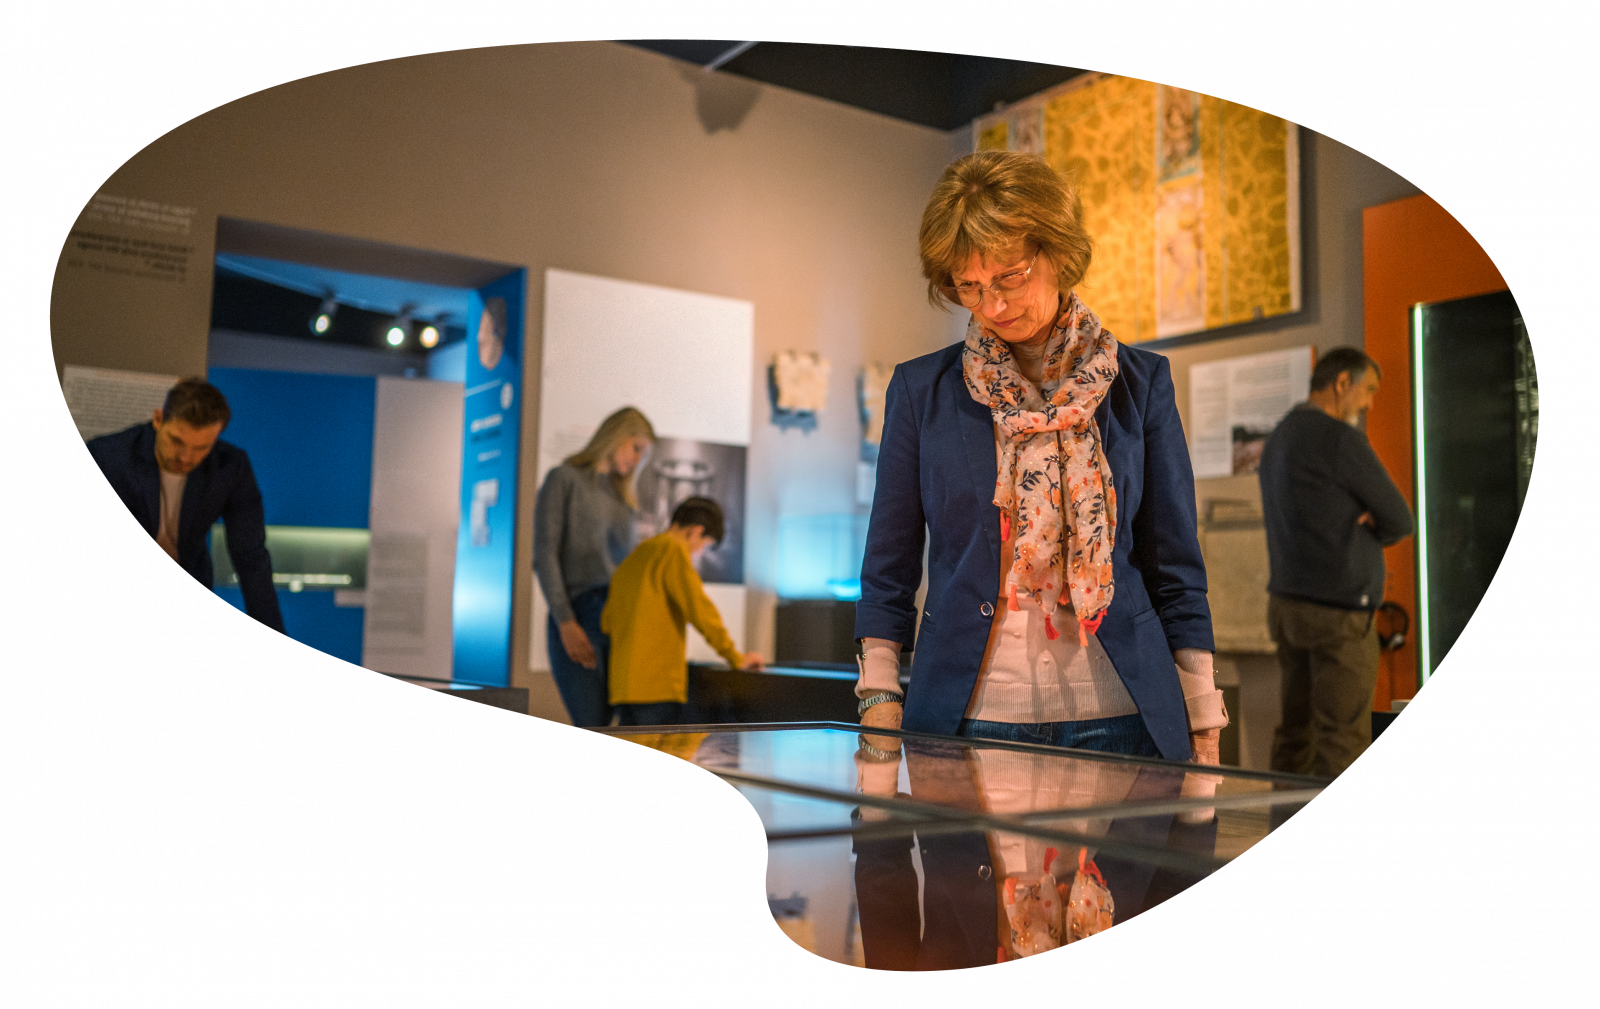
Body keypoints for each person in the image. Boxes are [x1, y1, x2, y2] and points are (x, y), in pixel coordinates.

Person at [854, 150, 1227, 762]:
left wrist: (1202, 713)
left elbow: (1175, 567)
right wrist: (878, 692)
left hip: (1123, 710)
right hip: (970, 712)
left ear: (1059, 253)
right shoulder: (922, 392)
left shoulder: (1140, 384)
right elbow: (888, 566)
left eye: (1009, 278)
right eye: (968, 287)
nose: (992, 307)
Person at [1259, 347, 1414, 777]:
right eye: (1368, 390)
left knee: (1295, 737)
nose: (1368, 404)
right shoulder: (1339, 438)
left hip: (1288, 606)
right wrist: (1372, 528)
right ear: (1341, 382)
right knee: (1343, 743)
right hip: (1339, 613)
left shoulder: (1280, 436)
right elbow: (1400, 519)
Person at [86, 378, 285, 633]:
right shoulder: (108, 457)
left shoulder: (230, 468)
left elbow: (251, 557)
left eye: (201, 447)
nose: (185, 457)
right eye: (176, 441)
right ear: (158, 420)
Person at [534, 406, 656, 727]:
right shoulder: (564, 479)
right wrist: (565, 621)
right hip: (580, 614)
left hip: (619, 618)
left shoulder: (623, 499)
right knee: (592, 720)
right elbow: (545, 554)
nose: (637, 460)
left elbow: (627, 568)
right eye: (636, 448)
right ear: (618, 434)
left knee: (620, 724)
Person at [601, 496, 763, 726]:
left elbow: (607, 621)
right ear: (696, 532)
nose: (697, 553)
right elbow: (701, 611)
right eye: (704, 545)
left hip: (622, 688)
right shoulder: (673, 550)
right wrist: (735, 657)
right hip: (657, 687)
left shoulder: (637, 554)